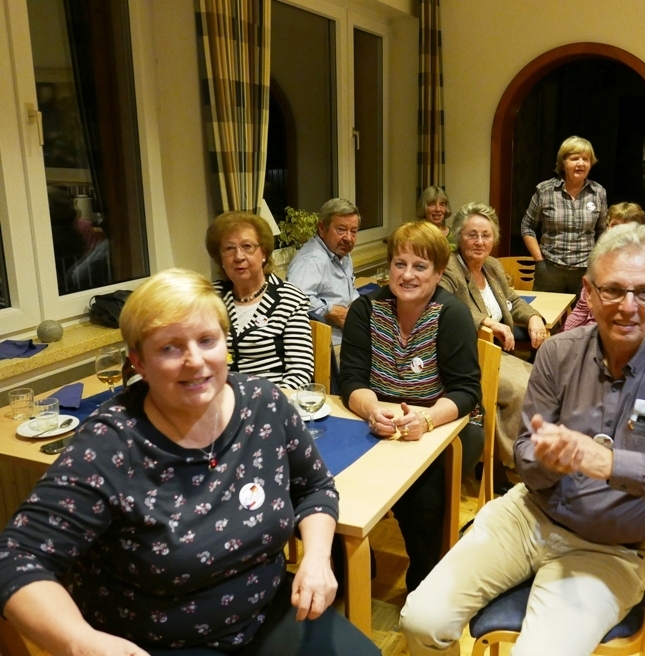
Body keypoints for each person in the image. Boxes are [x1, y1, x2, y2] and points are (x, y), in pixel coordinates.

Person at [400, 223, 645, 655]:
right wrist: (547, 461)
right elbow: (526, 451)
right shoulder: (559, 352)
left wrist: (612, 464)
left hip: (610, 549)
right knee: (421, 621)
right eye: (613, 290)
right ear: (589, 292)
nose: (628, 307)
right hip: (527, 516)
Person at [0, 269, 378, 655]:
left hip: (268, 611)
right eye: (169, 348)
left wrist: (317, 557)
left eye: (207, 340)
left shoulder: (264, 404)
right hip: (157, 642)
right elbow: (15, 558)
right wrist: (82, 643)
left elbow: (314, 487)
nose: (195, 361)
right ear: (138, 362)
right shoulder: (111, 445)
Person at [338, 221, 484, 592]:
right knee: (331, 479)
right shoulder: (365, 310)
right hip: (379, 423)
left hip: (446, 426)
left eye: (420, 266)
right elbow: (350, 381)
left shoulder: (451, 314)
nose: (407, 275)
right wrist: (373, 410)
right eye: (399, 264)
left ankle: (424, 581)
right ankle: (352, 565)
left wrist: (426, 419)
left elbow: (467, 391)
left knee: (421, 496)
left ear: (438, 272)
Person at [439, 201, 547, 470]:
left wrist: (533, 317)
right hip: (469, 356)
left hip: (497, 353)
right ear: (458, 236)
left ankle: (535, 450)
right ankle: (511, 462)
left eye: (486, 235)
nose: (479, 242)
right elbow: (444, 306)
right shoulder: (449, 269)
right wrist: (486, 321)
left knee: (545, 381)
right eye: (472, 235)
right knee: (522, 389)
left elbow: (514, 300)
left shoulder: (492, 266)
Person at [206, 211, 313, 390]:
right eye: (229, 248)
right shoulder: (211, 297)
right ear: (221, 258)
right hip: (219, 397)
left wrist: (268, 402)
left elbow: (300, 372)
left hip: (272, 398)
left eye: (247, 246)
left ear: (263, 253)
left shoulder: (289, 299)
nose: (238, 256)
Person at [564, 202, 645, 331]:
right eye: (615, 225)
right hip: (591, 331)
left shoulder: (644, 263)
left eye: (627, 227)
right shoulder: (601, 261)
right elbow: (581, 310)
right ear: (607, 228)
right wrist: (565, 335)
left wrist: (643, 300)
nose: (619, 232)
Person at [521, 135, 607, 293]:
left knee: (584, 310)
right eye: (574, 158)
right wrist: (539, 260)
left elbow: (603, 230)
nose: (580, 163)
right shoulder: (545, 190)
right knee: (545, 309)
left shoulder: (598, 192)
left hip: (586, 270)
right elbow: (527, 226)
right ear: (563, 163)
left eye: (586, 159)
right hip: (550, 269)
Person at [286, 198, 361, 348]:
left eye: (353, 232)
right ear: (322, 228)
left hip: (346, 336)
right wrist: (332, 311)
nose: (348, 238)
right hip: (324, 346)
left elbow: (349, 288)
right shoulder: (312, 259)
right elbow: (294, 300)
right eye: (341, 230)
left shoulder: (342, 253)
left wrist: (358, 306)